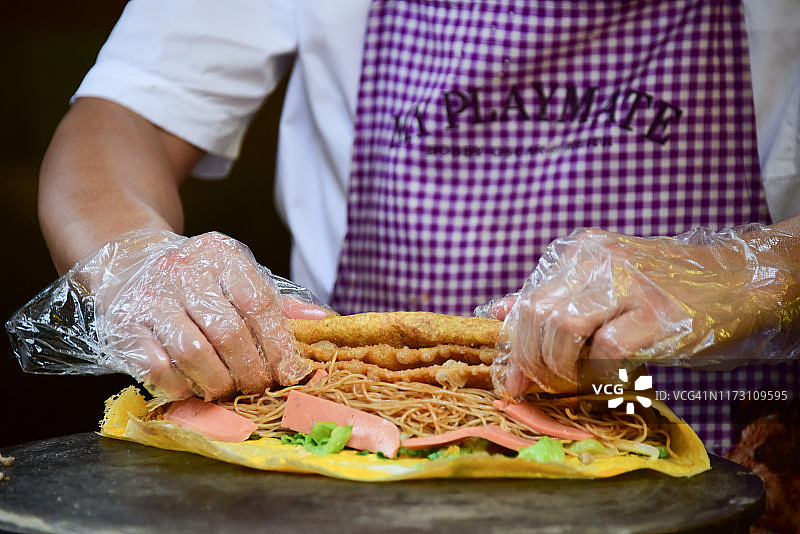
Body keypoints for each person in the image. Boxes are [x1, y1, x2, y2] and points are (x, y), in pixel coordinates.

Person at [38, 1, 798, 528]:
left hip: (735, 476)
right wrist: (134, 259)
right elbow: (119, 119)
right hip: (344, 481)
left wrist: (761, 272)